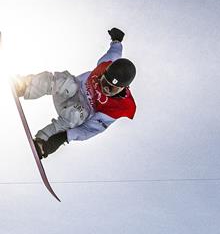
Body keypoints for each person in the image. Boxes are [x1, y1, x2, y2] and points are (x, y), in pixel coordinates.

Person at [13, 28, 137, 159]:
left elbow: (90, 129)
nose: (105, 88)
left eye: (111, 89)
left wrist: (65, 137)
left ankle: (42, 143)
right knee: (67, 82)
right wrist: (117, 40)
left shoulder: (119, 108)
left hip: (76, 112)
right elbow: (115, 53)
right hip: (69, 93)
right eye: (104, 82)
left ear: (123, 88)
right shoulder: (106, 63)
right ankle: (24, 86)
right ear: (104, 72)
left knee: (77, 114)